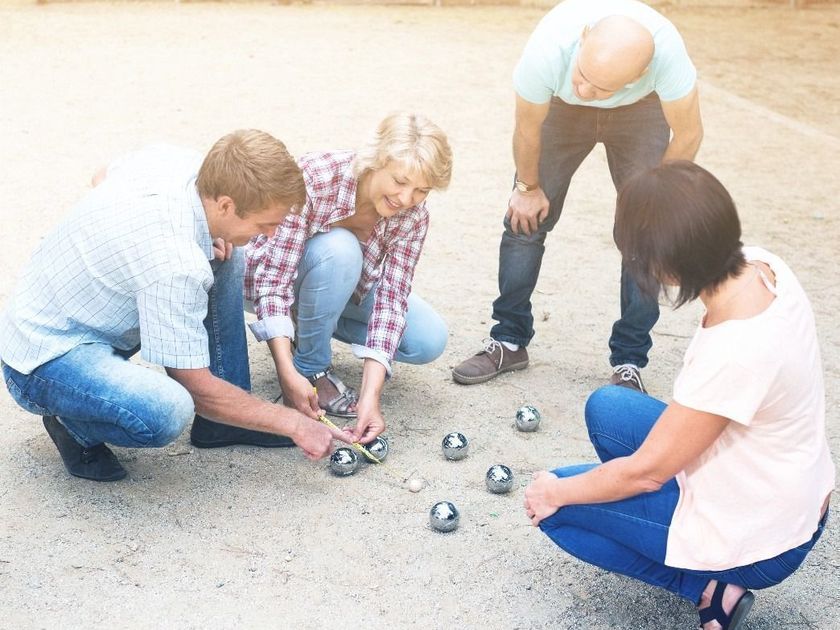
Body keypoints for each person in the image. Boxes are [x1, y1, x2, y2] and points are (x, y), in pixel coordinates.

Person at [523, 161, 834, 630]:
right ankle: (685, 543)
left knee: (555, 509)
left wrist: (556, 490)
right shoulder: (762, 264)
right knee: (608, 409)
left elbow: (646, 473)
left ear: (665, 265)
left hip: (770, 538)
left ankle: (707, 588)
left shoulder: (736, 350)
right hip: (785, 487)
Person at [0, 130, 350, 482]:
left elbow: (101, 175)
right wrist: (293, 423)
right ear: (225, 205)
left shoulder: (181, 165)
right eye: (264, 224)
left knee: (228, 252)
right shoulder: (175, 262)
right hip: (45, 356)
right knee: (165, 411)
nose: (270, 235)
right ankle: (73, 427)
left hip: (75, 310)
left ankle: (223, 423)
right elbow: (195, 387)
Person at [452, 0, 703, 393]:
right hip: (562, 110)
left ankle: (629, 361)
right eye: (583, 75)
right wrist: (527, 188)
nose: (585, 90)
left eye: (598, 87)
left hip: (639, 109)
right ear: (583, 38)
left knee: (647, 235)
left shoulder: (666, 56)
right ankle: (509, 340)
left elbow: (689, 134)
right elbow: (527, 128)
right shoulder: (549, 50)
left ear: (641, 73)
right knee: (524, 221)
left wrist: (655, 200)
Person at [244, 112, 453, 444]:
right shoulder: (316, 176)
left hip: (344, 288)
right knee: (340, 249)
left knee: (428, 339)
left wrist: (371, 396)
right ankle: (310, 367)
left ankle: (307, 323)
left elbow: (391, 302)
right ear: (376, 160)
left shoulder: (414, 216)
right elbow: (273, 281)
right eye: (399, 181)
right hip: (275, 275)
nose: (405, 199)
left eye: (421, 190)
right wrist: (287, 373)